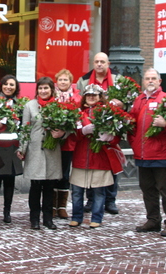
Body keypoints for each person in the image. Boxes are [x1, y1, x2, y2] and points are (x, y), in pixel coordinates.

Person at [128, 68, 166, 237]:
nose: (150, 81)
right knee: (147, 189)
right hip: (142, 154)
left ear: (160, 81)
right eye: (147, 78)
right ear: (143, 82)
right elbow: (131, 123)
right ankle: (153, 220)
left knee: (165, 190)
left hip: (161, 154)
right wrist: (134, 143)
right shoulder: (139, 100)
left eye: (153, 78)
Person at [69, 84, 121, 229]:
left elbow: (116, 137)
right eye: (88, 95)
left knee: (99, 192)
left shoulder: (107, 113)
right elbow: (72, 136)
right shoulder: (79, 113)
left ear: (100, 97)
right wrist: (82, 132)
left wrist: (110, 137)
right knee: (77, 192)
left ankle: (96, 218)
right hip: (81, 158)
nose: (91, 97)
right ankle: (76, 217)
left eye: (94, 95)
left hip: (99, 158)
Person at [75, 52, 121, 215]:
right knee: (90, 164)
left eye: (102, 61)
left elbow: (127, 103)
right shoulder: (84, 80)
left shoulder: (117, 80)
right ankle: (91, 200)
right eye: (96, 62)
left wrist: (120, 106)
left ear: (108, 64)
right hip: (89, 128)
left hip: (109, 127)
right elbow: (79, 101)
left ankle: (110, 200)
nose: (99, 64)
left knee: (109, 165)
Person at [17, 77, 65, 230]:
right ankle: (34, 219)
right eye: (40, 88)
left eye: (46, 88)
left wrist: (62, 134)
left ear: (52, 90)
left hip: (52, 152)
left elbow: (67, 128)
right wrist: (22, 149)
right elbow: (25, 130)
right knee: (36, 187)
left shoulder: (58, 106)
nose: (43, 91)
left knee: (50, 187)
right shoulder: (30, 106)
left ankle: (48, 219)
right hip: (35, 152)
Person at [0, 74, 24, 224]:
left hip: (12, 148)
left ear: (16, 88)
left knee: (10, 182)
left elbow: (23, 126)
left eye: (12, 85)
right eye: (6, 84)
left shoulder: (20, 105)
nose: (8, 87)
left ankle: (7, 211)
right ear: (1, 85)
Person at [53, 69, 81, 219]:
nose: (63, 82)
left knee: (64, 174)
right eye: (60, 80)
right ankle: (51, 205)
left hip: (68, 143)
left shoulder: (77, 98)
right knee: (52, 174)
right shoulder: (52, 97)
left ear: (71, 82)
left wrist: (66, 130)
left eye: (66, 80)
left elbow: (79, 119)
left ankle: (62, 206)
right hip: (53, 142)